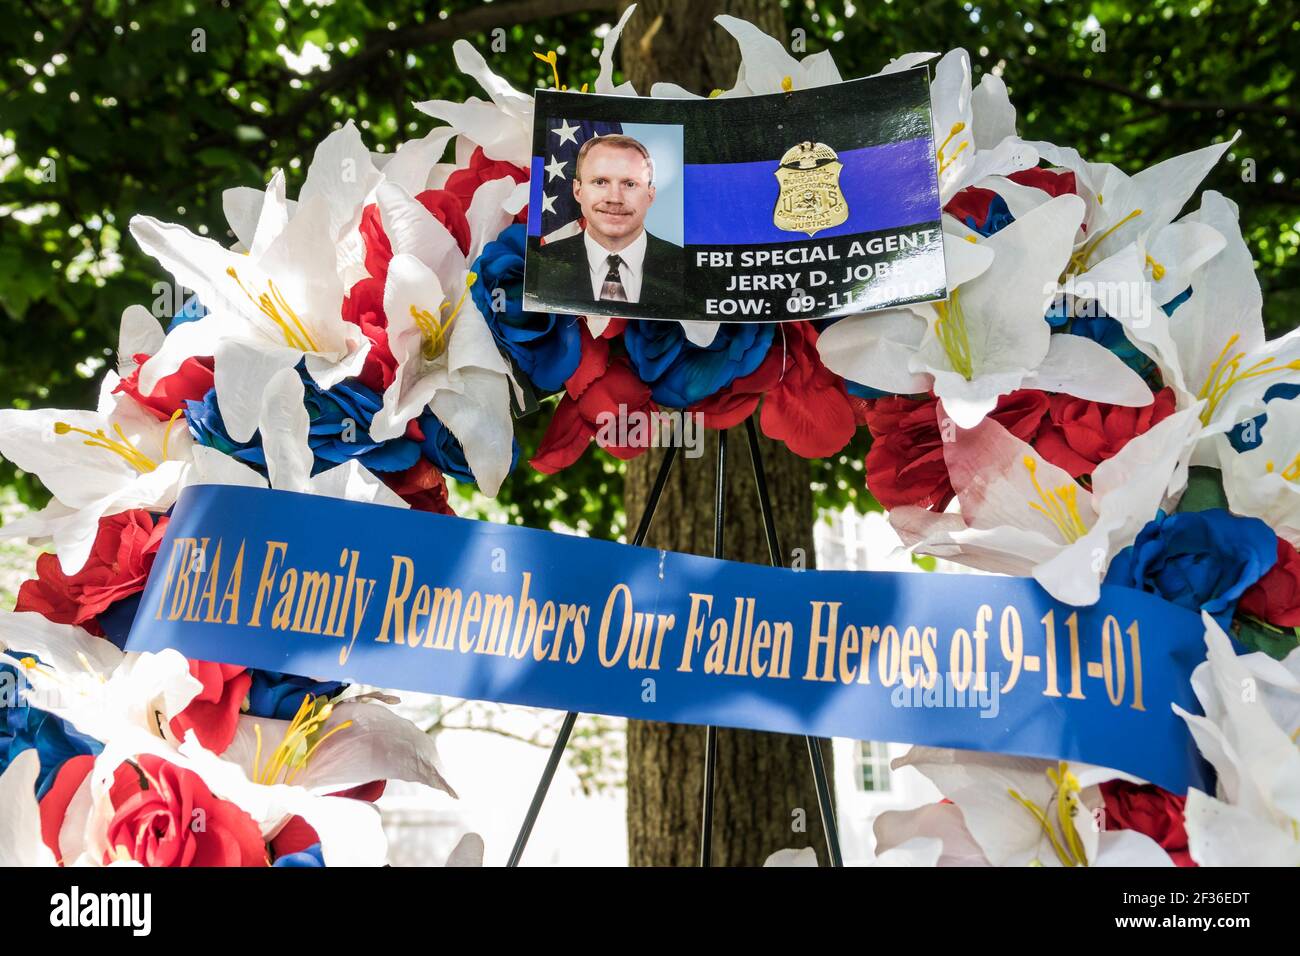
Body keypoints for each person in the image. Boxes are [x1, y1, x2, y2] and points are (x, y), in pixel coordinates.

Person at [533, 133, 682, 311]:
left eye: (630, 184)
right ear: (578, 190)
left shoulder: (686, 269)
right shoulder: (542, 264)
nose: (614, 198)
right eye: (600, 182)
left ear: (650, 195)